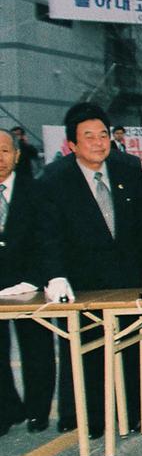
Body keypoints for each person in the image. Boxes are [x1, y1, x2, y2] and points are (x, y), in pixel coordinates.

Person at [41, 102, 142, 437]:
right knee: (86, 351)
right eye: (87, 136)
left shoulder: (129, 168)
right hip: (82, 281)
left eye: (103, 134)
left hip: (126, 278)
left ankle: (130, 413)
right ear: (71, 145)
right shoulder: (55, 178)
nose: (98, 142)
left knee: (129, 344)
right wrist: (55, 274)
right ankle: (89, 418)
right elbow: (49, 234)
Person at [0, 128, 56, 435]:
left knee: (37, 349)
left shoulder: (36, 191)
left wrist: (36, 279)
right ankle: (6, 410)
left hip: (28, 286)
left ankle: (38, 411)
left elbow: (46, 239)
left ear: (18, 156)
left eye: (5, 151)